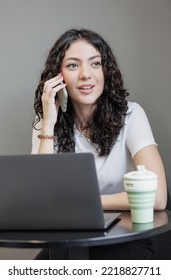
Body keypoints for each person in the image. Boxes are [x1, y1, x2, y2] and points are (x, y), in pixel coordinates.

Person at [32, 28, 167, 259]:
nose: (86, 74)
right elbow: (41, 200)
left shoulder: (131, 115)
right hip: (74, 236)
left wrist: (81, 202)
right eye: (73, 65)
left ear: (106, 71)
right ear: (58, 76)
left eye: (95, 63)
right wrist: (47, 126)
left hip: (130, 234)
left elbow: (157, 197)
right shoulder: (46, 121)